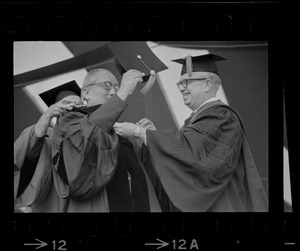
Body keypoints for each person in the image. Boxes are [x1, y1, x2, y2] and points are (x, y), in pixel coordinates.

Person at [114, 53, 269, 212]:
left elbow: (193, 155)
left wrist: (140, 132)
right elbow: (186, 150)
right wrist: (152, 135)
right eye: (179, 83)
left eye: (186, 82)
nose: (181, 88)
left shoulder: (222, 117)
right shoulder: (199, 118)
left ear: (207, 84)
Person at [50, 68, 161, 212]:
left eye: (116, 87)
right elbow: (86, 140)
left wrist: (146, 139)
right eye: (106, 85)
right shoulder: (70, 121)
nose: (114, 92)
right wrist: (123, 92)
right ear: (86, 92)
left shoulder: (119, 130)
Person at [14, 92, 82, 212]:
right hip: (51, 204)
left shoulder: (92, 137)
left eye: (79, 104)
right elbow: (31, 145)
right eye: (66, 103)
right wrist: (48, 113)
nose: (73, 106)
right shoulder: (49, 137)